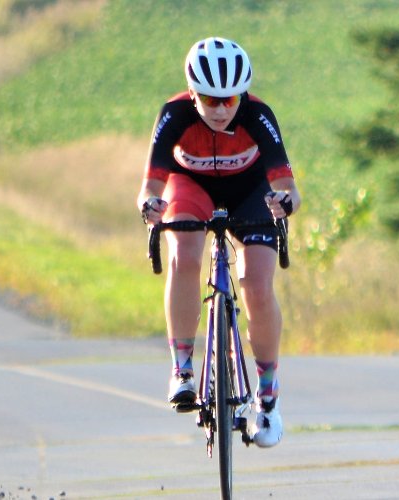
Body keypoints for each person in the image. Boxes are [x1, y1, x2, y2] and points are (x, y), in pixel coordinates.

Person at [137, 37, 301, 448]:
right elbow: (151, 185)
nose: (221, 109)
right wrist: (149, 204)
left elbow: (288, 186)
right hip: (191, 186)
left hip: (250, 190)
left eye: (229, 99)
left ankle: (267, 392)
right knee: (184, 256)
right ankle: (182, 367)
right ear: (192, 93)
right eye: (211, 100)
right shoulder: (174, 114)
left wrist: (285, 201)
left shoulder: (258, 115)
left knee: (257, 286)